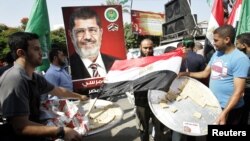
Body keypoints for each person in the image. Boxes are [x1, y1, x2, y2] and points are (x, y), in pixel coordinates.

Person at [0, 32, 88, 141]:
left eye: (40, 49)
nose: (41, 53)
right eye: (36, 49)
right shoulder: (15, 79)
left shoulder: (35, 77)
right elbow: (20, 126)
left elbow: (58, 90)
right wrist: (61, 131)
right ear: (21, 53)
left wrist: (79, 96)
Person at [180, 25, 250, 125]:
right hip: (214, 105)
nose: (214, 43)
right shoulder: (217, 54)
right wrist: (186, 73)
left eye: (216, 40)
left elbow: (238, 92)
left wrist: (224, 112)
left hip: (231, 109)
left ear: (227, 39)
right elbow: (205, 73)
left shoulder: (240, 59)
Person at [68, 7, 117, 80]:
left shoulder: (116, 63)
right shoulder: (67, 68)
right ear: (71, 36)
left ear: (100, 33)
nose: (87, 37)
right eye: (80, 31)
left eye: (92, 30)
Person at [134, 38, 165, 141]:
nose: (148, 51)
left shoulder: (159, 62)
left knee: (159, 129)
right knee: (144, 129)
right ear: (140, 48)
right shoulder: (134, 63)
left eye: (150, 48)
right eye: (145, 48)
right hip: (141, 102)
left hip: (157, 101)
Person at [236, 32, 250, 124]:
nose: (236, 46)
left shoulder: (245, 59)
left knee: (243, 116)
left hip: (247, 91)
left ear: (244, 45)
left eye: (237, 43)